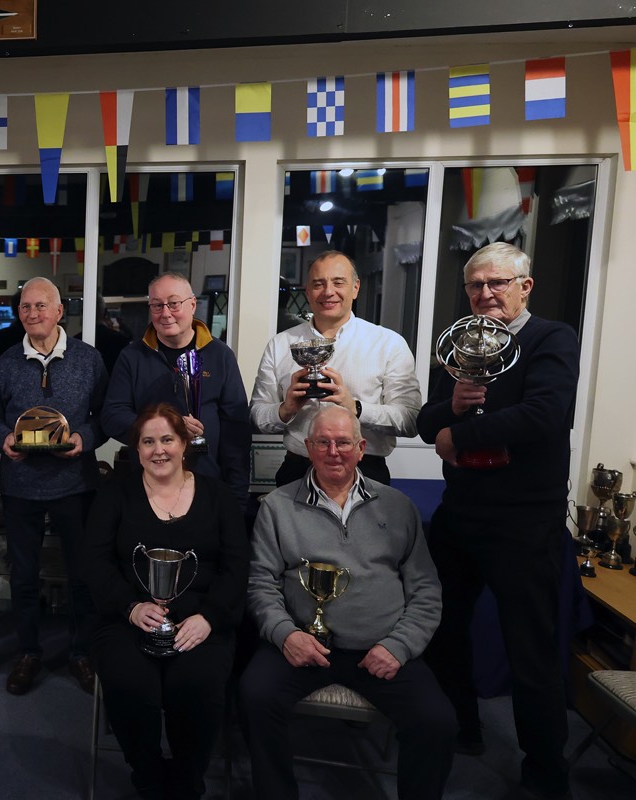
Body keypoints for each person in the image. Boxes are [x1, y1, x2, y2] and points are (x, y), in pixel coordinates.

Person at [417, 242, 579, 800]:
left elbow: (545, 414)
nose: (485, 294)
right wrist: (453, 411)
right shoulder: (463, 343)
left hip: (524, 523)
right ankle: (461, 729)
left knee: (530, 650)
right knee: (442, 631)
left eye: (497, 283)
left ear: (524, 286)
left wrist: (456, 436)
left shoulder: (551, 338)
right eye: (475, 285)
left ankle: (545, 771)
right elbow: (424, 421)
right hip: (460, 515)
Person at [239, 405, 454, 800]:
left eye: (342, 443)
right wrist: (286, 635)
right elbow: (260, 583)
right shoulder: (276, 507)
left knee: (437, 721)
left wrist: (398, 646)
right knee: (254, 696)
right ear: (308, 447)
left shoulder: (398, 507)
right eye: (323, 442)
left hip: (380, 649)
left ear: (361, 448)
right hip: (300, 646)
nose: (332, 451)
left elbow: (426, 589)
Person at [85, 403, 249, 800]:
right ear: (136, 449)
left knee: (196, 685)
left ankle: (189, 778)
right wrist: (131, 607)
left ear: (184, 443)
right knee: (129, 685)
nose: (158, 450)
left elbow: (237, 565)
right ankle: (147, 774)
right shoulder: (115, 494)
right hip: (129, 616)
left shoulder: (217, 495)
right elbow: (95, 561)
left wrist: (209, 617)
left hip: (202, 618)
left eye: (167, 440)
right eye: (147, 441)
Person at [0, 277, 108, 695]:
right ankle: (28, 653)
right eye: (25, 307)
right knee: (22, 576)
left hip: (75, 484)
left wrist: (83, 440)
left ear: (59, 312)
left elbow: (105, 416)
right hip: (20, 484)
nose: (33, 313)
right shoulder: (4, 363)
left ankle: (80, 653)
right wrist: (2, 437)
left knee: (81, 575)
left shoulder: (89, 360)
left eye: (41, 306)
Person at [249, 251, 422, 486]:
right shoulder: (281, 345)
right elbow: (257, 415)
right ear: (308, 291)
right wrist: (285, 409)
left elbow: (410, 421)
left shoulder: (388, 343)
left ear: (355, 288)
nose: (328, 291)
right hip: (297, 471)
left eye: (338, 282)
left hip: (366, 473)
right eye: (318, 284)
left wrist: (356, 407)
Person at [101, 272, 252, 508]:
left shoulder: (220, 355)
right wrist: (166, 429)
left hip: (208, 484)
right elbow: (112, 416)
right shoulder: (131, 356)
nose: (166, 313)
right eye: (157, 305)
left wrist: (238, 497)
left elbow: (236, 432)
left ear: (192, 305)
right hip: (148, 486)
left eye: (173, 303)